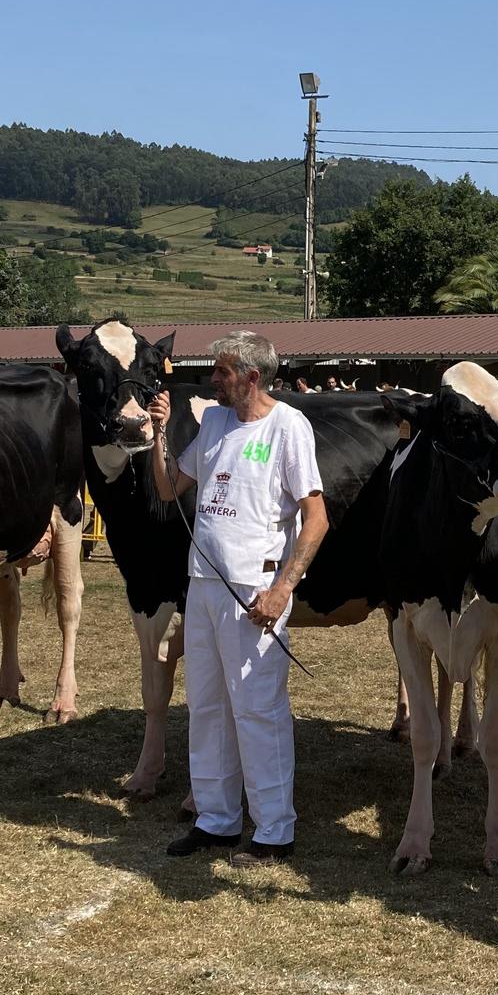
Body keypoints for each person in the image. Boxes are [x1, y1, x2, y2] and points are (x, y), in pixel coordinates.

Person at [148, 331, 327, 868]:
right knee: (206, 705)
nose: (214, 380)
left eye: (223, 372)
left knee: (257, 709)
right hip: (202, 586)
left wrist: (282, 590)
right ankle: (216, 819)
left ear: (252, 376)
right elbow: (167, 488)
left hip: (254, 591)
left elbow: (315, 518)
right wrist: (159, 432)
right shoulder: (215, 423)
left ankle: (274, 831)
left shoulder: (288, 426)